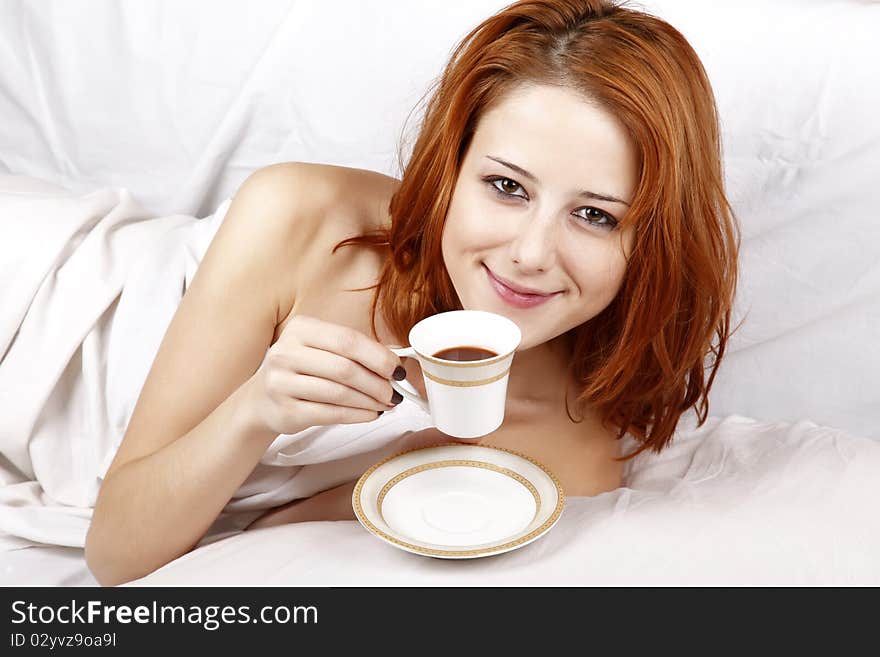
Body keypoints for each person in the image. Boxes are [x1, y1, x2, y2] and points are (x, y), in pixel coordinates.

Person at [85, 0, 739, 585]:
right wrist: (254, 407)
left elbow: (252, 547)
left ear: (650, 240)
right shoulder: (298, 216)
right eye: (507, 186)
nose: (531, 254)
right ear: (449, 168)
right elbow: (114, 554)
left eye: (595, 215)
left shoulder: (566, 460)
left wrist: (407, 458)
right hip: (73, 303)